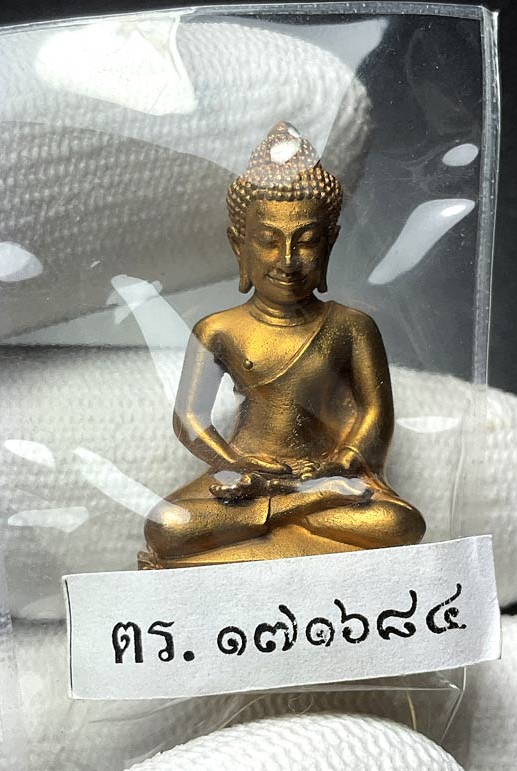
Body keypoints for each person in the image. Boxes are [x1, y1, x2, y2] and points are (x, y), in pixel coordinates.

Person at [140, 122, 425, 568]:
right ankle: (299, 508)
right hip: (246, 478)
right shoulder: (218, 329)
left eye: (306, 241)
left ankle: (286, 513)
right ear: (240, 244)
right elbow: (189, 419)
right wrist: (238, 465)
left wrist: (339, 463)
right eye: (268, 241)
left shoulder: (351, 326)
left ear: (329, 242)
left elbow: (374, 412)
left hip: (325, 475)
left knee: (399, 524)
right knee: (168, 525)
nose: (287, 260)